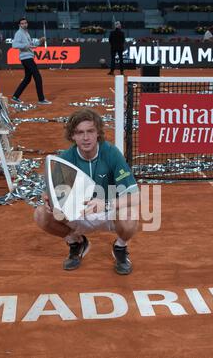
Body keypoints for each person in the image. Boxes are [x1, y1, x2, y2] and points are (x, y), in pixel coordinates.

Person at [34, 108, 139, 275]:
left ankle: (120, 247)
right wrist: (49, 203)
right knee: (41, 214)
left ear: (98, 132)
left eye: (90, 131)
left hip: (108, 212)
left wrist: (106, 204)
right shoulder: (65, 159)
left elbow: (135, 197)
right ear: (73, 136)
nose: (86, 137)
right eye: (80, 132)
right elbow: (51, 195)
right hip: (78, 214)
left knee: (130, 215)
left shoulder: (112, 154)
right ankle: (76, 242)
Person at [11, 17, 51, 105]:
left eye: (25, 23)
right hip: (26, 58)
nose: (24, 24)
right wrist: (26, 46)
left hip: (27, 57)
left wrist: (40, 41)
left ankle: (15, 96)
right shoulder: (19, 33)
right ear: (19, 25)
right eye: (22, 23)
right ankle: (41, 99)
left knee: (27, 79)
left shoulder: (26, 33)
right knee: (37, 76)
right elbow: (14, 45)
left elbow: (31, 44)